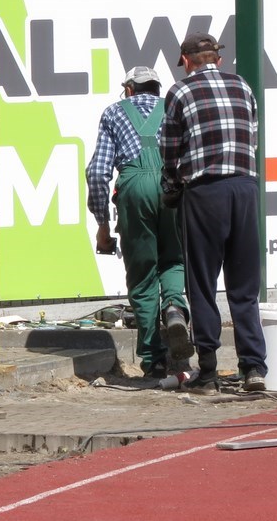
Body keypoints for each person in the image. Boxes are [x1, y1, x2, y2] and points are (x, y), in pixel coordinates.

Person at [159, 32, 268, 394]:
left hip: (205, 192)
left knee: (202, 284)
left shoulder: (180, 92)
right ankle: (253, 368)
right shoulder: (243, 87)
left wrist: (172, 184)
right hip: (245, 189)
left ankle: (207, 371)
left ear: (186, 61)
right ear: (217, 60)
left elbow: (170, 148)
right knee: (244, 286)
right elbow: (250, 137)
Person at [86, 66, 192, 380]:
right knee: (173, 260)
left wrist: (102, 222)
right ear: (157, 89)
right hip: (171, 186)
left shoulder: (114, 113)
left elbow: (97, 172)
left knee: (143, 274)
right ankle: (174, 308)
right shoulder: (175, 106)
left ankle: (154, 359)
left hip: (133, 190)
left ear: (129, 90)